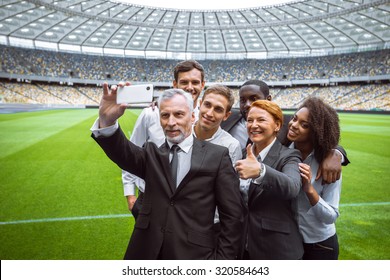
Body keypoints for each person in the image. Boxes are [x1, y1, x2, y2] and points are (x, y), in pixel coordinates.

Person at [91, 85, 244, 259]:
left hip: (194, 255)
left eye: (179, 114)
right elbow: (122, 151)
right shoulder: (152, 153)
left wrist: (223, 262)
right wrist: (107, 121)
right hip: (146, 252)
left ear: (192, 116)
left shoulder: (218, 156)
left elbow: (232, 216)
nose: (171, 122)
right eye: (165, 115)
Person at [221, 79, 350, 184]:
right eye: (243, 100)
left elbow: (320, 133)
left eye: (254, 99)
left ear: (268, 99)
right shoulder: (225, 117)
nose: (248, 104)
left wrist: (335, 153)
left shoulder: (286, 123)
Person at [122, 60, 206, 218]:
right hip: (150, 199)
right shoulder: (151, 114)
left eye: (195, 82)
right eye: (184, 82)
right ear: (175, 84)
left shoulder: (207, 118)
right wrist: (130, 194)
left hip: (190, 203)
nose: (190, 87)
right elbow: (130, 152)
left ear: (202, 85)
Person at [235, 99, 303, 260]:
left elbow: (292, 187)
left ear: (277, 125)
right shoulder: (245, 154)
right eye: (250, 120)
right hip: (243, 247)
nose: (253, 125)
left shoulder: (289, 156)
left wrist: (261, 171)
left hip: (277, 250)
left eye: (261, 120)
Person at [287, 96, 342, 260]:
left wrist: (310, 191)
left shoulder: (328, 164)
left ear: (316, 132)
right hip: (290, 243)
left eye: (304, 125)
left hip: (320, 245)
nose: (294, 125)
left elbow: (331, 217)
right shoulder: (282, 150)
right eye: (295, 119)